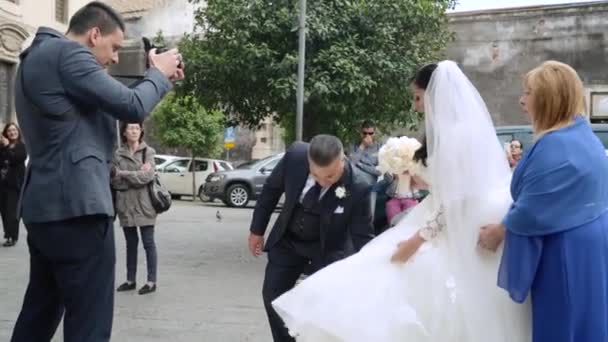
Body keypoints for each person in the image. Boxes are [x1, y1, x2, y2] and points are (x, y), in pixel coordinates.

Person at [271, 61, 531, 341]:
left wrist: (416, 241)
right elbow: (454, 188)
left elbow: (457, 201)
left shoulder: (456, 136)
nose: (416, 106)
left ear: (433, 95)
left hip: (445, 226)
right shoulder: (455, 131)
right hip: (438, 217)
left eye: (418, 97)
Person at [10, 2, 183, 341]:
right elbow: (131, 106)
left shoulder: (41, 56)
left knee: (40, 314)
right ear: (93, 34)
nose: (116, 57)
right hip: (78, 209)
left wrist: (156, 78)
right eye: (114, 47)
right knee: (89, 324)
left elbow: (116, 98)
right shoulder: (69, 55)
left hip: (46, 210)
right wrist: (158, 74)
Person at [481, 61, 608, 342]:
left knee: (564, 322)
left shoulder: (555, 144)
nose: (522, 100)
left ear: (548, 98)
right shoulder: (583, 135)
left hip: (565, 248)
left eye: (528, 92)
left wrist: (499, 230)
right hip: (590, 241)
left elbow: (535, 209)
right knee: (588, 319)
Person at [248, 134, 375, 342]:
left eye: (331, 177)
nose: (324, 182)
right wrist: (257, 231)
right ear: (308, 161)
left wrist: (370, 268)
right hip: (288, 241)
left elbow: (362, 234)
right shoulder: (295, 156)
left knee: (323, 308)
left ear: (342, 160)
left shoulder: (359, 185)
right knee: (272, 296)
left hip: (327, 250)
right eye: (316, 176)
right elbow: (271, 191)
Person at [112, 122, 158, 295]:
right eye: (130, 128)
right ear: (124, 132)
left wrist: (124, 174)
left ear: (141, 131)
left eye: (137, 128)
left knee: (148, 243)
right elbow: (114, 180)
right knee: (130, 244)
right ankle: (130, 280)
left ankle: (151, 281)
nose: (134, 131)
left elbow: (147, 177)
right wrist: (136, 174)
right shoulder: (118, 153)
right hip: (125, 204)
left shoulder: (148, 152)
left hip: (144, 203)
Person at [0, 123, 27, 247]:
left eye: (14, 130)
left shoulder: (21, 146)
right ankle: (8, 234)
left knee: (12, 211)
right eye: (9, 130)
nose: (12, 132)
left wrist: (6, 147)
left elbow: (16, 159)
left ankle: (12, 236)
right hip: (3, 184)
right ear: (6, 133)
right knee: (4, 211)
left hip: (15, 184)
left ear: (18, 131)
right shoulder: (2, 146)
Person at [348, 120, 381, 185]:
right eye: (365, 133)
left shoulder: (379, 147)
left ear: (374, 133)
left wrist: (360, 165)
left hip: (371, 183)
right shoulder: (353, 146)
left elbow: (380, 171)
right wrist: (362, 146)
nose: (367, 136)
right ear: (361, 133)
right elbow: (351, 164)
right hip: (355, 180)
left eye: (370, 133)